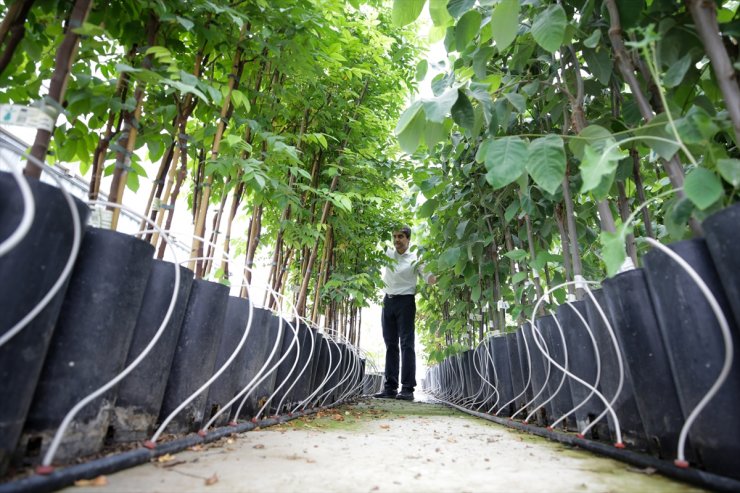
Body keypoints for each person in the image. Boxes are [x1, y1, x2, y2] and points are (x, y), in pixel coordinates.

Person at [374, 226, 436, 401]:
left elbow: (429, 278)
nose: (397, 240)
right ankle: (390, 388)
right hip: (388, 301)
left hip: (406, 302)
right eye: (394, 237)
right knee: (390, 344)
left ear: (408, 239)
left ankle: (407, 389)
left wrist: (440, 272)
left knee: (407, 344)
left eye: (400, 236)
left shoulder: (416, 257)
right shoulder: (387, 254)